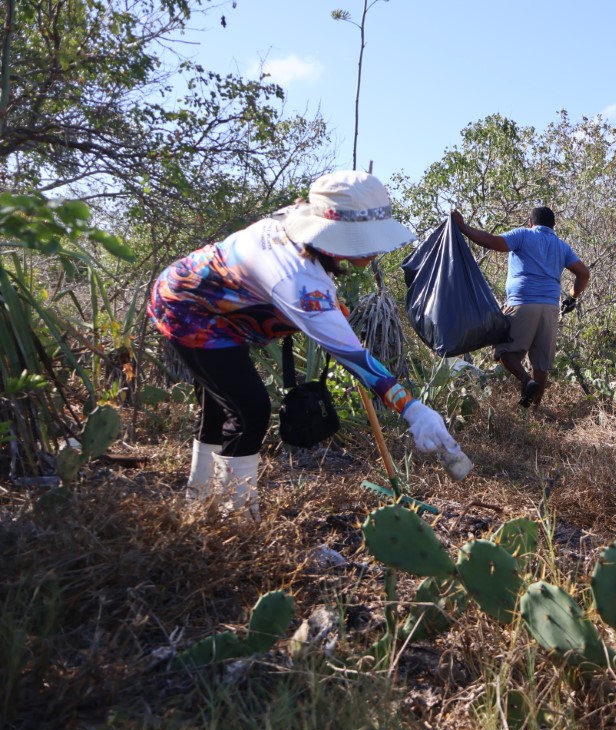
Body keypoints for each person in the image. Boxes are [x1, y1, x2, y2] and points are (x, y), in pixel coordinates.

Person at [148, 170, 462, 522]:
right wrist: (413, 410)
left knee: (223, 406)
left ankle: (198, 499)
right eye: (365, 237)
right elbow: (352, 356)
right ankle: (235, 519)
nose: (375, 248)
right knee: (249, 411)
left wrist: (329, 306)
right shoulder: (296, 279)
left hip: (218, 306)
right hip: (187, 309)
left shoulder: (298, 229)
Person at [450, 206, 590, 408]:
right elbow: (583, 273)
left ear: (530, 222)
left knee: (503, 350)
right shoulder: (562, 246)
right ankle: (534, 410)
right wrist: (572, 296)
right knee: (540, 363)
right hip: (550, 308)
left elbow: (492, 242)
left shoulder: (524, 234)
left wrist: (463, 227)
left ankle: (526, 380)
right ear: (554, 225)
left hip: (523, 302)